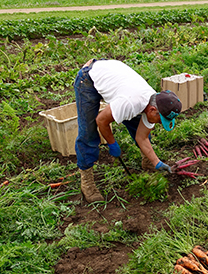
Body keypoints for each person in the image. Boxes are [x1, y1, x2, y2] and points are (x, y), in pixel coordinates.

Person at [74, 58, 182, 203]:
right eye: (160, 120)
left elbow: (142, 137)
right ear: (152, 110)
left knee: (137, 124)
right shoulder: (130, 103)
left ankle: (148, 162)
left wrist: (156, 162)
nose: (159, 124)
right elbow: (101, 120)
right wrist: (112, 143)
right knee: (88, 132)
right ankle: (87, 182)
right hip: (89, 80)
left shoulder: (154, 102)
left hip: (115, 77)